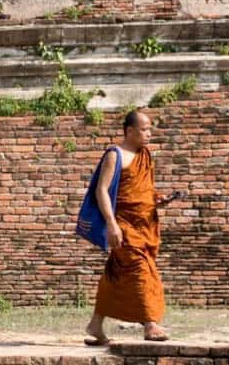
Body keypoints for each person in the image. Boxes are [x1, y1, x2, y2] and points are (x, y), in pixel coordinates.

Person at [84, 110, 177, 345]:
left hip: (145, 223)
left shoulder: (145, 155)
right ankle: (150, 323)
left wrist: (158, 198)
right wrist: (112, 224)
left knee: (115, 272)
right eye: (144, 129)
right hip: (124, 225)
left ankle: (96, 324)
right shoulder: (115, 155)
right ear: (130, 131)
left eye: (150, 129)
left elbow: (144, 189)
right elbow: (101, 190)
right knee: (140, 267)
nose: (149, 134)